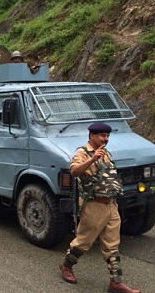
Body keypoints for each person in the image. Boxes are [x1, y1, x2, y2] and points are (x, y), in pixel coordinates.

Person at [59, 122, 140, 293]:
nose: (106, 139)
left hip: (111, 205)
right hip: (94, 206)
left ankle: (116, 282)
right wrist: (92, 159)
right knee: (83, 242)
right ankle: (66, 265)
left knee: (112, 245)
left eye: (107, 136)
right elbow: (74, 172)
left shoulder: (106, 153)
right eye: (102, 135)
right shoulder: (83, 153)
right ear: (92, 136)